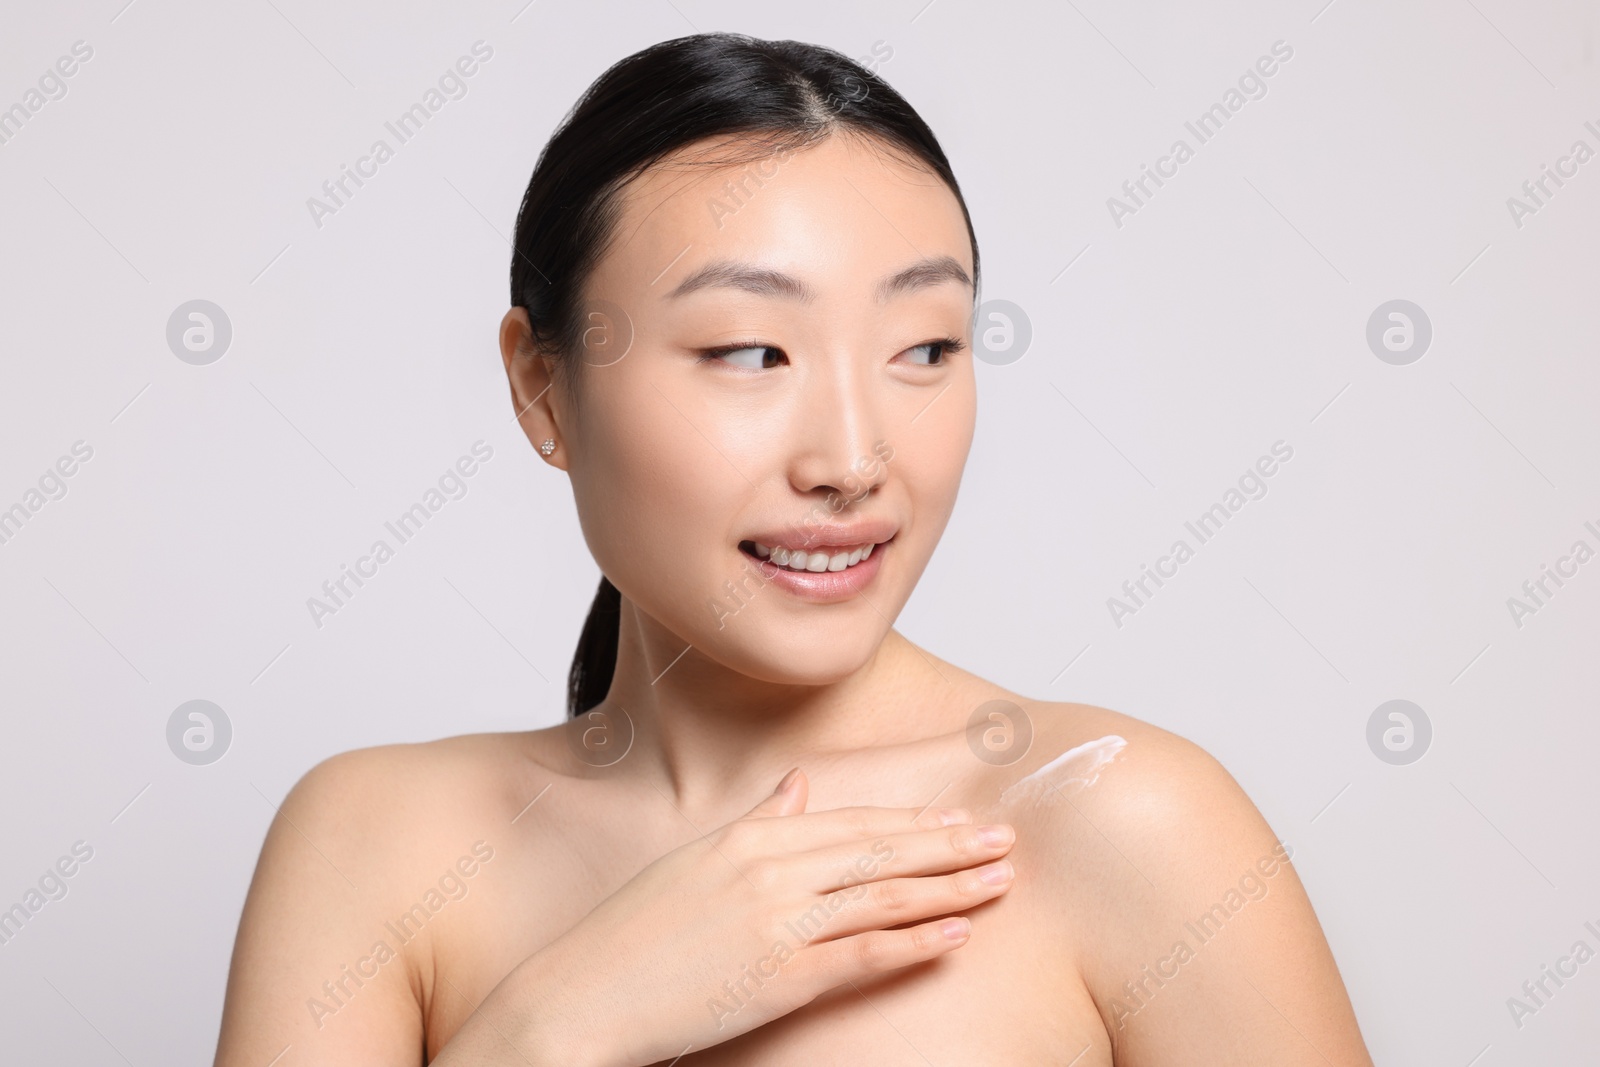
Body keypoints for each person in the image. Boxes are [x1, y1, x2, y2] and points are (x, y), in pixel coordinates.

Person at [214, 32, 1374, 1065]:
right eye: (749, 352)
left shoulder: (1123, 823)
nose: (854, 458)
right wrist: (565, 1020)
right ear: (542, 385)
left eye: (924, 347)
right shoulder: (375, 843)